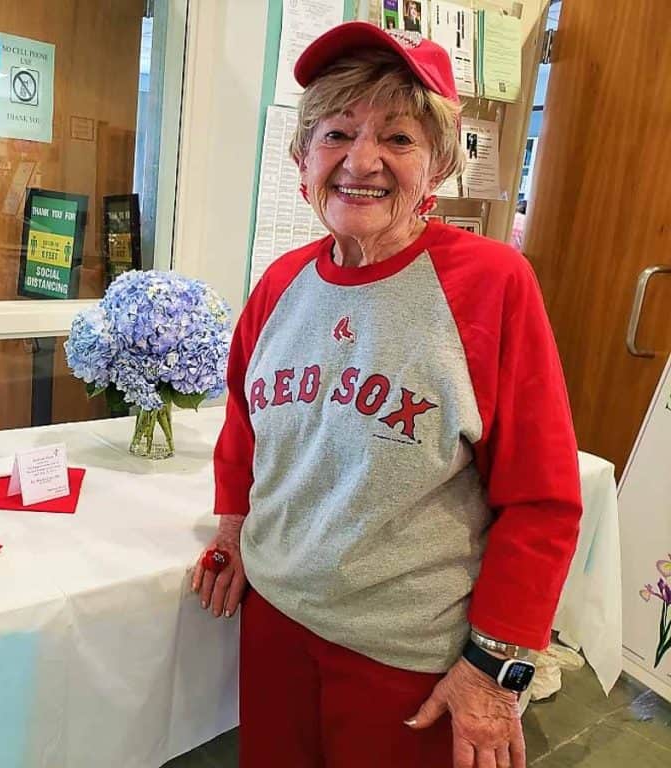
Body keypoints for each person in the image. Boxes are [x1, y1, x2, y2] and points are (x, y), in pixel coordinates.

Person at [191, 22, 581, 768]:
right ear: (303, 159)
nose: (360, 162)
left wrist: (495, 668)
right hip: (274, 624)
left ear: (435, 164)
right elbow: (245, 422)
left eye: (397, 139)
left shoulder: (494, 284)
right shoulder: (281, 283)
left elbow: (542, 500)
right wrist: (235, 527)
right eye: (337, 132)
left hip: (407, 661)